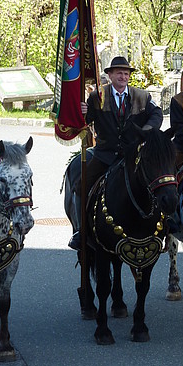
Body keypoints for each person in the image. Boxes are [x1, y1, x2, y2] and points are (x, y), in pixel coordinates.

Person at [69, 56, 163, 249]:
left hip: (133, 156)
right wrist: (82, 112)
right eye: (119, 73)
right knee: (81, 185)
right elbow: (85, 122)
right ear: (110, 75)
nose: (123, 77)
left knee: (160, 180)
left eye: (126, 74)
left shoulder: (142, 96)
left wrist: (146, 131)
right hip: (105, 155)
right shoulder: (97, 96)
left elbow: (157, 114)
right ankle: (81, 230)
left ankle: (166, 225)